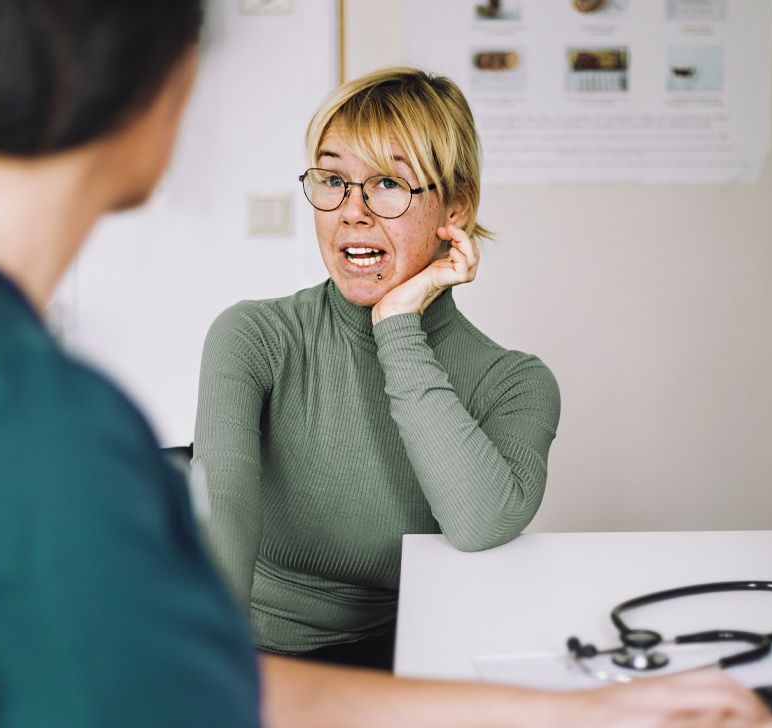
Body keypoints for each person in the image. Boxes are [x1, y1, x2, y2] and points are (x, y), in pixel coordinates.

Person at [0, 2, 772, 726]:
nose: (352, 206)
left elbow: (191, 679)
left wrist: (578, 713)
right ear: (158, 82)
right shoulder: (31, 423)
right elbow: (203, 692)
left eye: (390, 183)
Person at [195, 67, 559, 670]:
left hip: (413, 658)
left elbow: (481, 523)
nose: (353, 212)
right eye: (333, 179)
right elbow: (223, 511)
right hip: (254, 649)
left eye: (388, 183)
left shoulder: (515, 384)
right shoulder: (253, 337)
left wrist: (397, 325)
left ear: (457, 205)